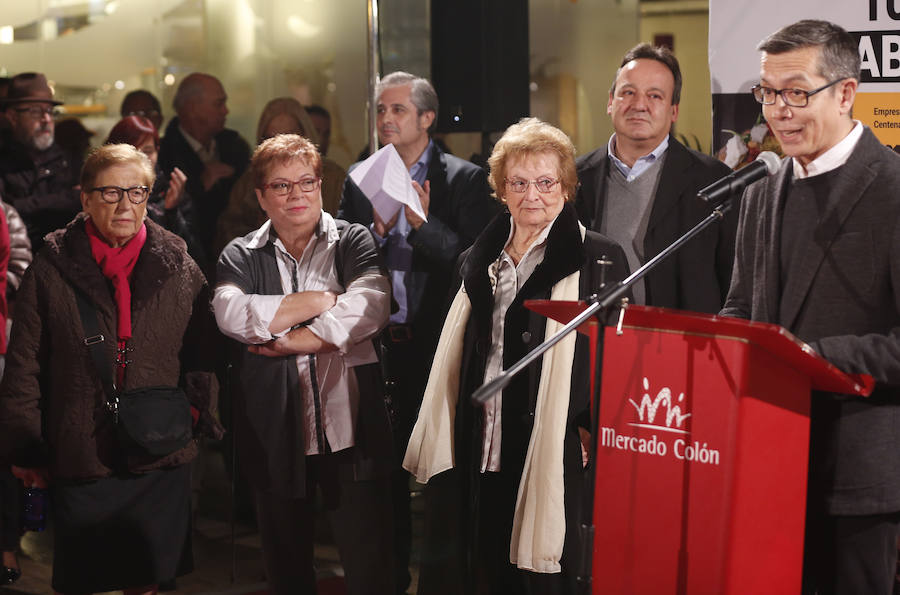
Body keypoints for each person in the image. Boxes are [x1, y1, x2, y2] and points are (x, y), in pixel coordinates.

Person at [404, 118, 630, 594]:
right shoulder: (476, 258)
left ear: (566, 187)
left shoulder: (599, 259)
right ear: (501, 190)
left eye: (546, 182)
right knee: (479, 571)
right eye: (519, 183)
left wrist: (589, 424)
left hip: (551, 446)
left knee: (537, 581)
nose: (533, 195)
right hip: (479, 443)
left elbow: (619, 359)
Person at [719, 19, 900, 595]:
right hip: (770, 465)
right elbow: (742, 308)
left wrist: (811, 357)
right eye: (768, 93)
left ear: (847, 93)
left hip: (860, 477)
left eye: (797, 92)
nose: (779, 111)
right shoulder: (758, 192)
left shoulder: (893, 189)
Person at [0, 144, 222, 595]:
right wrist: (26, 448)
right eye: (111, 193)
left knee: (147, 582)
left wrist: (195, 418)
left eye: (137, 193)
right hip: (82, 449)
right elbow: (23, 367)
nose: (126, 205)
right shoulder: (50, 266)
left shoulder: (178, 264)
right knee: (83, 580)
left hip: (158, 449)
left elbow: (204, 356)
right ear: (85, 198)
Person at [214, 134, 394, 594]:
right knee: (286, 570)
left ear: (320, 186)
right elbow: (231, 314)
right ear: (260, 196)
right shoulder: (241, 253)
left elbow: (371, 306)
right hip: (276, 430)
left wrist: (297, 340)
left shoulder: (353, 239)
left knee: (368, 565)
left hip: (350, 428)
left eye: (306, 182)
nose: (296, 195)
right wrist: (320, 300)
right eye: (280, 186)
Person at [339, 71, 497, 593]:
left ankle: (439, 582)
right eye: (381, 109)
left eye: (398, 110)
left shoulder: (466, 179)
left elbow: (477, 264)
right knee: (380, 478)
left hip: (437, 348)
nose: (386, 119)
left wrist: (423, 227)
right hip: (379, 348)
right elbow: (341, 259)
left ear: (427, 118)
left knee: (439, 474)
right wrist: (371, 237)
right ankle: (387, 579)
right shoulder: (362, 178)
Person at [575, 44, 735, 313]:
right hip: (594, 342)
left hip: (681, 344)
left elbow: (733, 285)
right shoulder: (574, 178)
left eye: (655, 96)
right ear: (610, 102)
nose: (639, 105)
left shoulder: (715, 181)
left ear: (674, 111)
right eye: (628, 93)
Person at [214, 97, 347, 255]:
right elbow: (227, 235)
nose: (281, 147)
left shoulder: (334, 177)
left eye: (290, 136)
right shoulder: (249, 181)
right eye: (272, 138)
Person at [157, 72, 250, 264]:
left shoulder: (236, 147)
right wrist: (199, 186)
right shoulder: (163, 155)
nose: (226, 111)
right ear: (192, 108)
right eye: (218, 104)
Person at [107, 115, 207, 269]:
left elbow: (195, 260)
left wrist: (171, 212)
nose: (140, 160)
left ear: (157, 151)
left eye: (147, 151)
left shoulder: (173, 194)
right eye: (131, 151)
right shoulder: (102, 196)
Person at [0, 72, 82, 250]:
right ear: (13, 117)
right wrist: (61, 199)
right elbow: (6, 216)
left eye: (50, 111)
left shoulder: (67, 159)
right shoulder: (4, 162)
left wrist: (24, 204)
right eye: (35, 111)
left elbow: (80, 201)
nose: (46, 119)